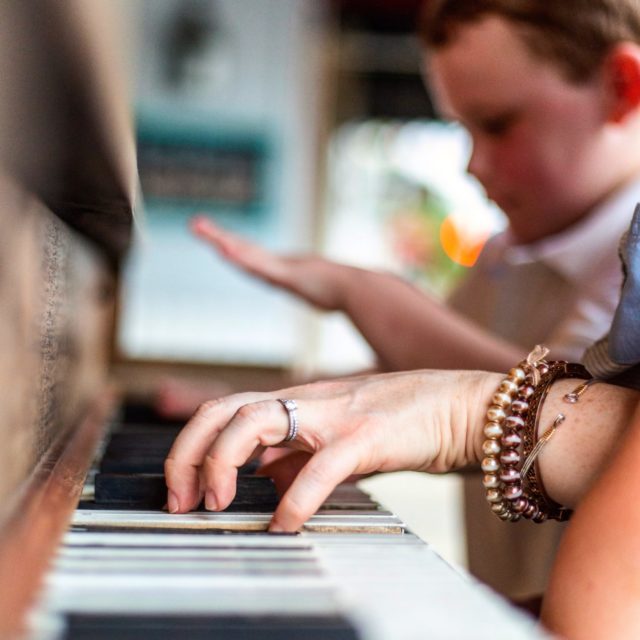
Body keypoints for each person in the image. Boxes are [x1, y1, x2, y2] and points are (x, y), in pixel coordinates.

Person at [173, 0, 640, 601]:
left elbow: (543, 402)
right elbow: (407, 390)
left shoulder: (626, 264)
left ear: (622, 88)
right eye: (462, 128)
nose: (474, 165)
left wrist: (366, 293)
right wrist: (267, 408)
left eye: (496, 124)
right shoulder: (503, 255)